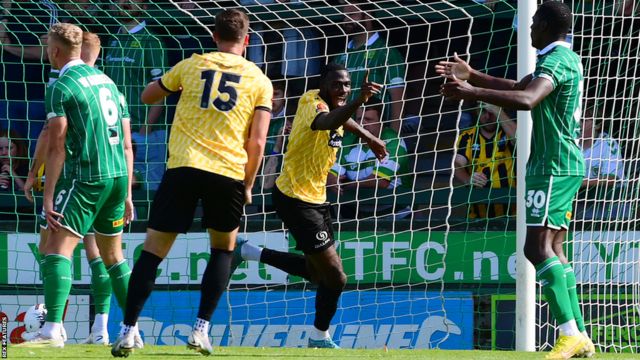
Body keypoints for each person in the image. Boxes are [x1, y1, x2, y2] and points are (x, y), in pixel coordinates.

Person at [111, 9, 272, 357]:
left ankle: (127, 331)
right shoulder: (259, 79)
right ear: (246, 40)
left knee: (152, 252)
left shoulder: (191, 64)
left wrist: (176, 86)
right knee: (222, 250)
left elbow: (147, 96)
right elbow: (258, 143)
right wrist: (247, 186)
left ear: (213, 37)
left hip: (183, 166)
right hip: (228, 172)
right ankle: (201, 330)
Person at [438, 2, 595, 358]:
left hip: (553, 166)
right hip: (559, 163)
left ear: (545, 25)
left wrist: (471, 92)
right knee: (554, 249)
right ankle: (581, 335)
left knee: (536, 248)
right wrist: (472, 75)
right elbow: (520, 84)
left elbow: (526, 98)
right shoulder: (560, 58)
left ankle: (569, 334)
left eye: (533, 22)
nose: (528, 29)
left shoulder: (557, 60)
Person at [232, 63, 387, 349]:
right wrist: (358, 101)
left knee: (319, 274)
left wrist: (370, 137)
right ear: (323, 84)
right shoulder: (310, 101)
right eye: (337, 85)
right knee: (337, 277)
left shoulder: (335, 106)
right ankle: (319, 336)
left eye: (348, 85)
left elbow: (341, 119)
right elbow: (327, 122)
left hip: (316, 198)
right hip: (294, 197)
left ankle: (246, 251)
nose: (343, 89)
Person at [17, 23, 135, 348]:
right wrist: (127, 193)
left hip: (85, 177)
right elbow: (126, 143)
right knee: (113, 257)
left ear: (54, 51)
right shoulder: (110, 83)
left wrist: (48, 195)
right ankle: (131, 329)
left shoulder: (63, 85)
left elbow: (55, 143)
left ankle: (52, 328)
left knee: (57, 249)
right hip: (117, 178)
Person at [103, 0, 168, 191]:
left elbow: (162, 89)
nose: (124, 3)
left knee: (149, 192)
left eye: (132, 0)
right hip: (116, 132)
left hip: (146, 133)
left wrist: (145, 130)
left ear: (145, 6)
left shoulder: (152, 41)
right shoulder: (112, 39)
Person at [327, 100, 409, 219]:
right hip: (357, 213)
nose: (363, 124)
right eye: (360, 119)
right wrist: (332, 180)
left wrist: (345, 185)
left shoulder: (393, 141)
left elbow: (380, 182)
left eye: (369, 120)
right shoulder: (347, 143)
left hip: (394, 212)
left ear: (381, 122)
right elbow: (332, 176)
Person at [334, 1, 406, 133]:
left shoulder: (387, 52)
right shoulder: (340, 57)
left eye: (352, 14)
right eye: (344, 16)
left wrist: (395, 136)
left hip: (376, 134)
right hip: (343, 134)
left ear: (367, 16)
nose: (346, 19)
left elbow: (398, 98)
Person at [454, 102, 516, 219]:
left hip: (513, 216)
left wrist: (498, 111)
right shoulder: (467, 137)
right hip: (477, 218)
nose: (488, 116)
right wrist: (468, 179)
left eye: (491, 111)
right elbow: (457, 164)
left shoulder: (508, 131)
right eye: (483, 111)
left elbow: (520, 140)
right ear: (476, 112)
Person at [578, 105, 629, 220]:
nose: (578, 125)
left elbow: (611, 178)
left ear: (598, 125)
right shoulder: (570, 142)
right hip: (581, 200)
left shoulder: (608, 143)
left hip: (611, 201)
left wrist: (577, 182)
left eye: (583, 120)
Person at [262, 79, 292, 190]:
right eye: (268, 93)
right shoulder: (255, 117)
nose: (272, 98)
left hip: (280, 178)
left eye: (276, 94)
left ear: (286, 95)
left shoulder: (292, 120)